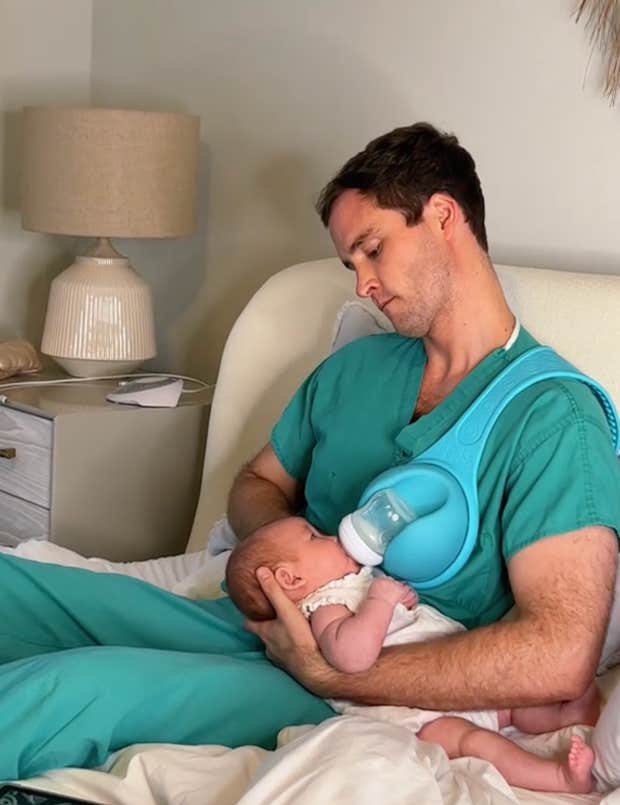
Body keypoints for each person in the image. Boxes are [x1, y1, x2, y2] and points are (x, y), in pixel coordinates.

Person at [229, 122, 620, 718]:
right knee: (39, 598)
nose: (363, 286)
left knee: (75, 691)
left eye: (373, 249)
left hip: (360, 683)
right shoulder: (354, 370)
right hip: (264, 623)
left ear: (442, 216)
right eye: (351, 265)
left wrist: (324, 669)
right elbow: (257, 484)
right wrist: (296, 571)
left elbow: (559, 656)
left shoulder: (554, 419)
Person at [226, 517, 599, 794]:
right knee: (477, 744)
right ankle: (558, 778)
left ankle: (571, 712)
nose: (331, 536)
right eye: (315, 538)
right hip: (421, 718)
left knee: (518, 702)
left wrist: (394, 600)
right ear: (291, 580)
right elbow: (352, 657)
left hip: (453, 683)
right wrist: (381, 601)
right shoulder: (324, 607)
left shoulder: (351, 584)